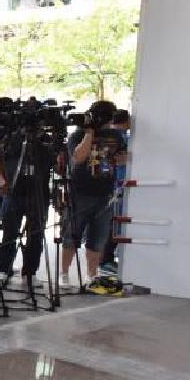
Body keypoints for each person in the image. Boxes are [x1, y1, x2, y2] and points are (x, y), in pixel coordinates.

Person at [60, 100, 127, 288]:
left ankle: (92, 275)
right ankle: (64, 273)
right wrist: (89, 133)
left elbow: (122, 157)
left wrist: (113, 159)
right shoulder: (78, 134)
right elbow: (78, 157)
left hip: (105, 193)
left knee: (98, 238)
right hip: (80, 192)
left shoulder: (115, 135)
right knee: (71, 235)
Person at [0, 115, 54, 287]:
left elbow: (53, 162)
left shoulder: (45, 140)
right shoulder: (10, 138)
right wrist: (1, 180)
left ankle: (30, 272)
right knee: (9, 233)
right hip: (14, 191)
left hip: (38, 192)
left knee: (35, 234)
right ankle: (3, 270)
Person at [100, 109, 131, 274]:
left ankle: (106, 259)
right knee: (113, 223)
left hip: (117, 185)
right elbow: (106, 162)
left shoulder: (121, 136)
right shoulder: (117, 137)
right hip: (115, 187)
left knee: (114, 222)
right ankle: (105, 260)